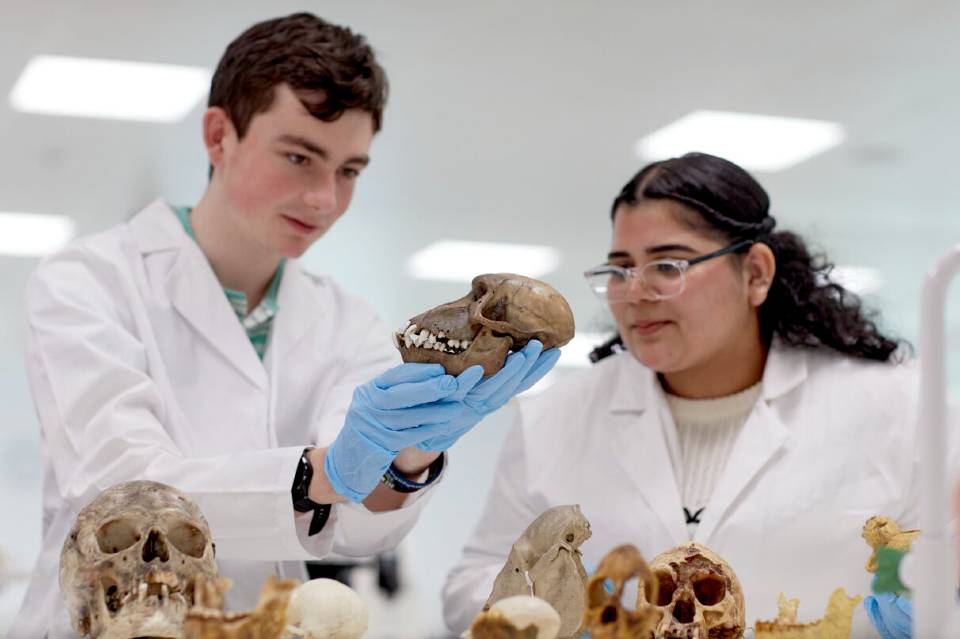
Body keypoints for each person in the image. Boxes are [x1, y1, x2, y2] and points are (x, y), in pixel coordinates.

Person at [11, 13, 558, 638]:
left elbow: (352, 530)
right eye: (300, 156)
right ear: (219, 136)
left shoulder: (345, 319)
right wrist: (324, 471)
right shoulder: (89, 280)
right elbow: (124, 492)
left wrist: (411, 453)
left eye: (350, 171)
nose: (326, 198)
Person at [442, 152, 955, 636]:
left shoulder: (901, 407)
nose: (636, 292)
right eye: (619, 269)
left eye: (668, 265)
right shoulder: (554, 417)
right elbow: (468, 587)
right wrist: (568, 611)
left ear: (755, 273)